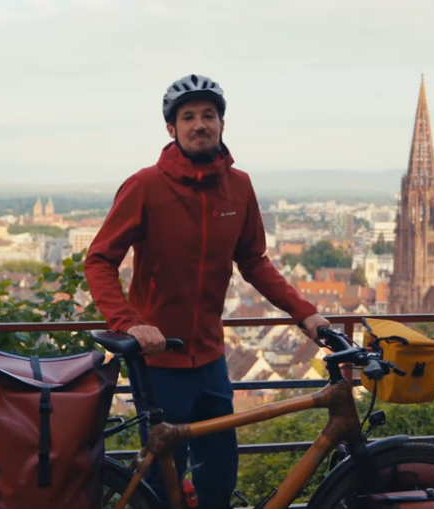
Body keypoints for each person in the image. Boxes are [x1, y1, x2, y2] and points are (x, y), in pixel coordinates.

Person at [84, 73, 330, 508]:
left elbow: (253, 259)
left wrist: (304, 312)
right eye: (189, 116)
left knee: (219, 476)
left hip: (211, 358)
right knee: (163, 484)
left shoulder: (239, 186)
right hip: (159, 360)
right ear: (171, 129)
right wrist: (129, 324)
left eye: (209, 115)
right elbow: (100, 260)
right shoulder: (146, 186)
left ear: (221, 123)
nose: (201, 124)